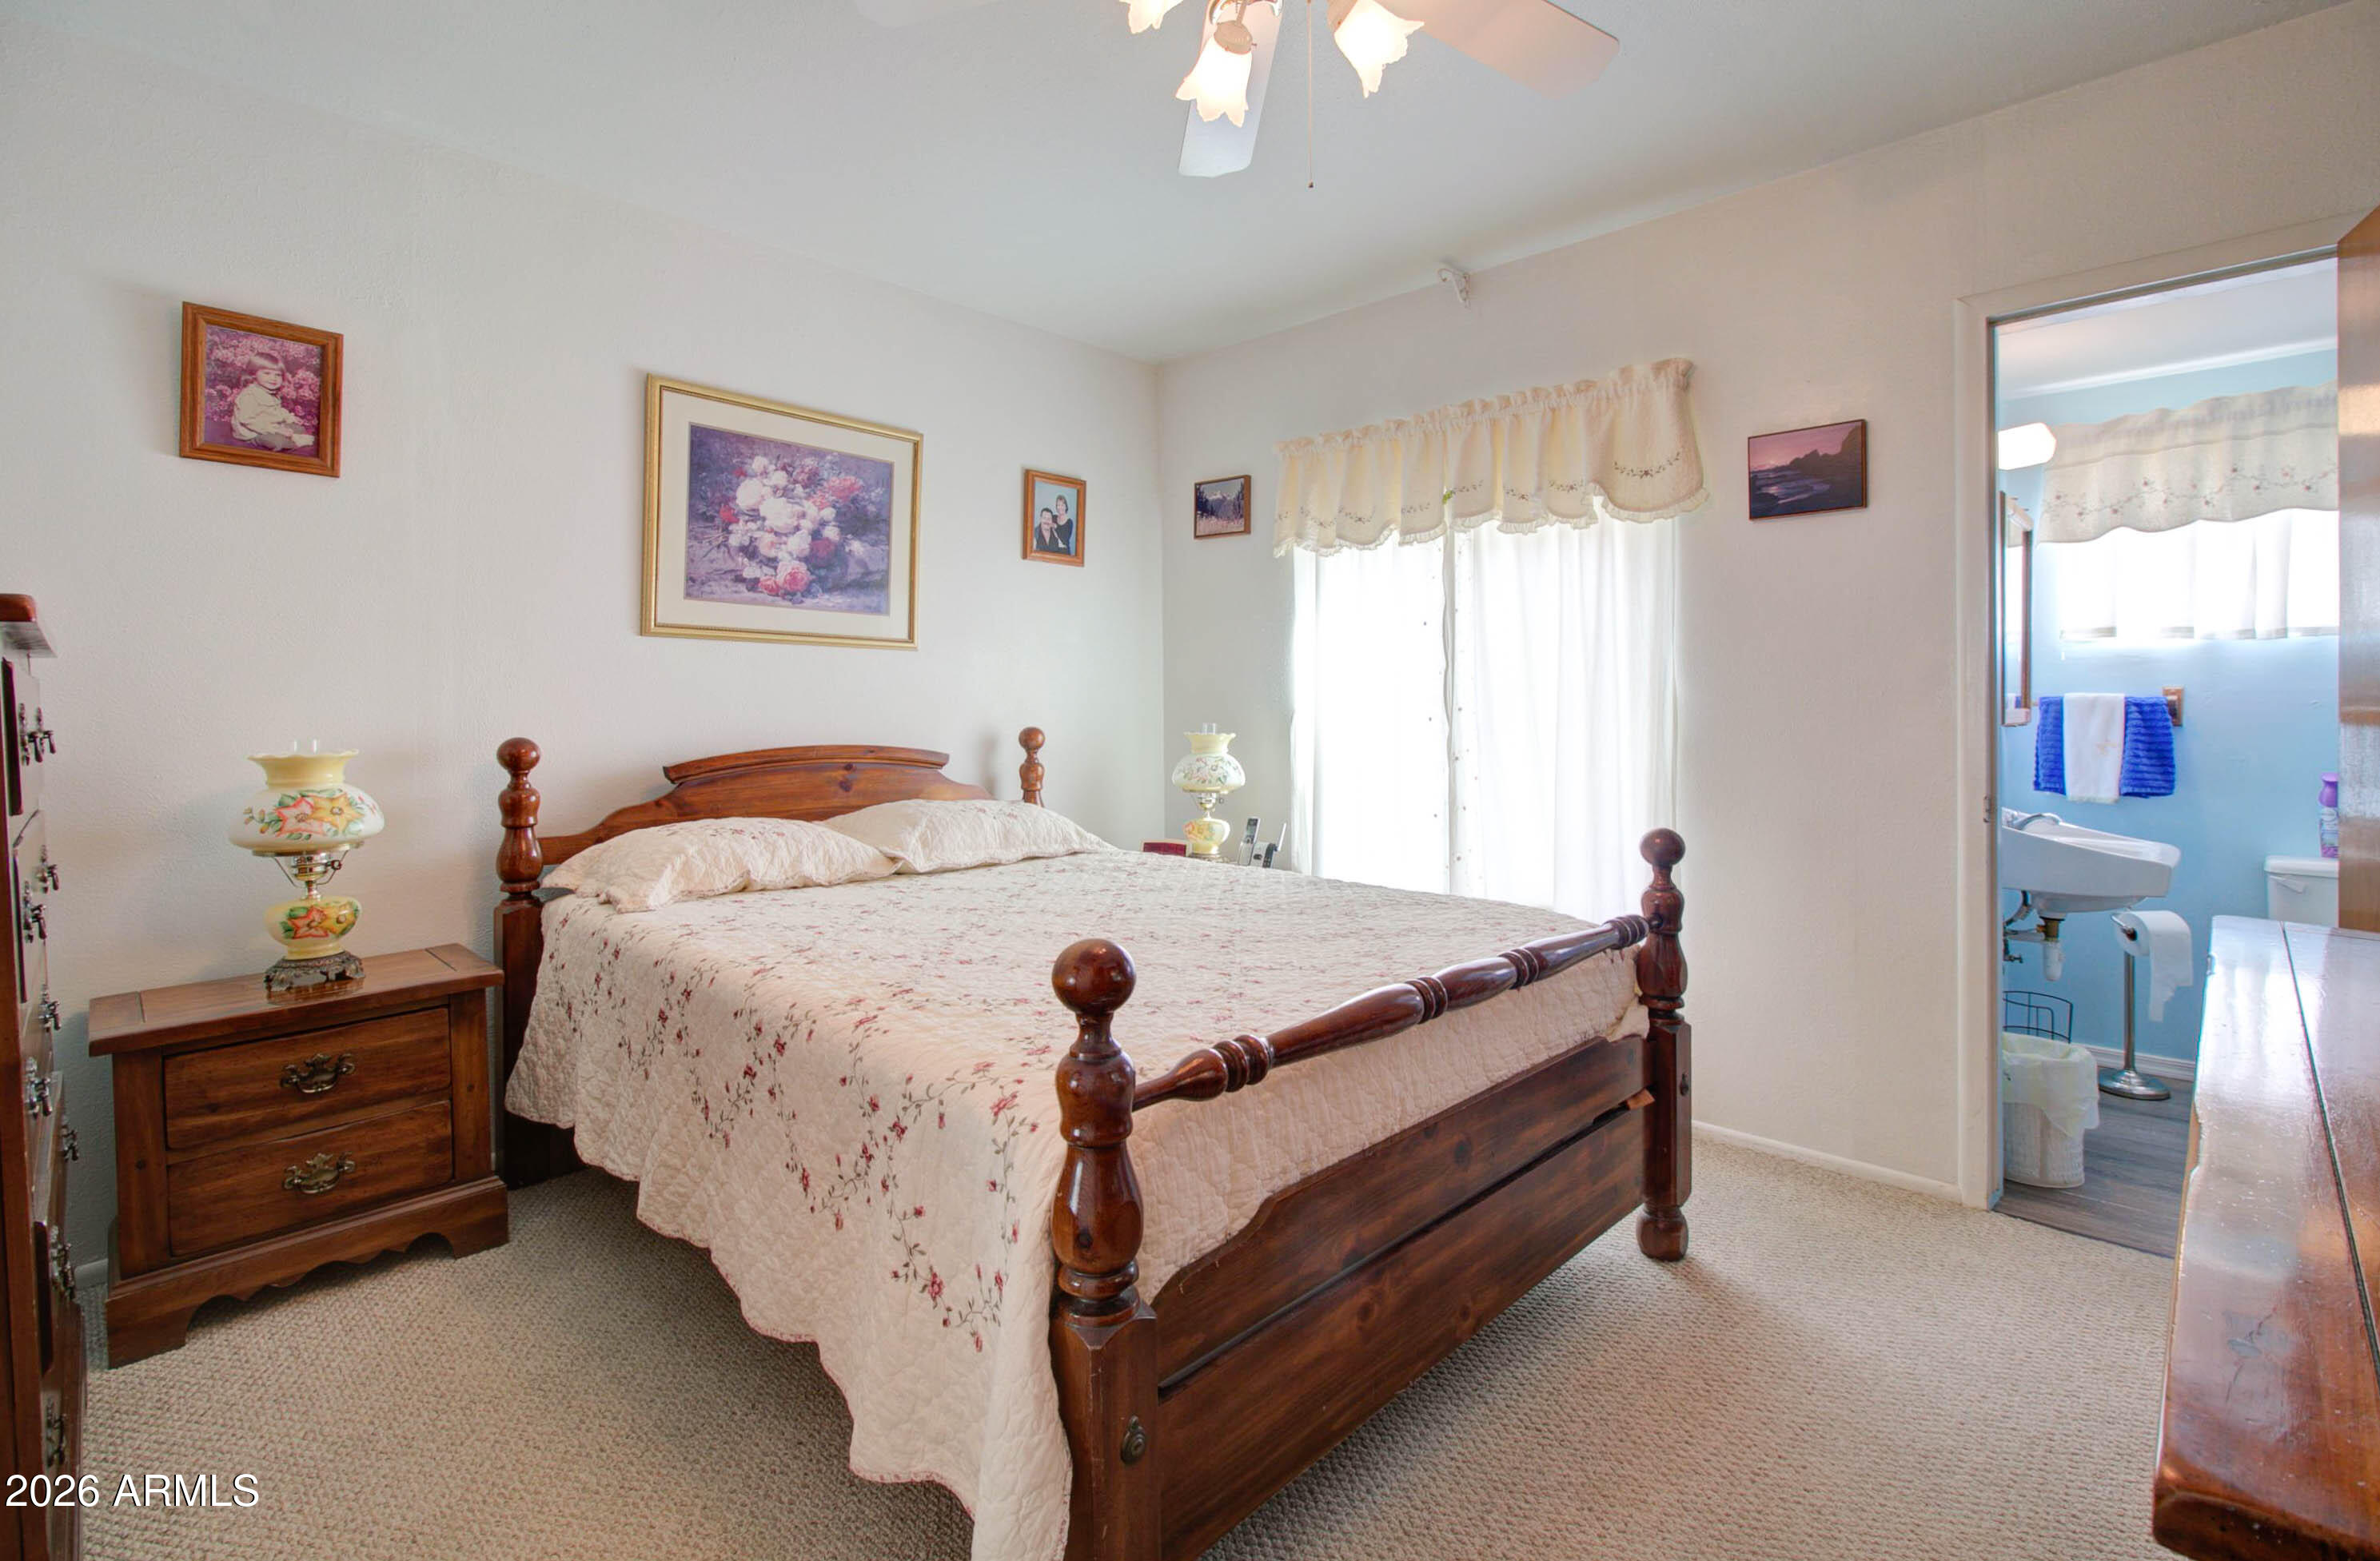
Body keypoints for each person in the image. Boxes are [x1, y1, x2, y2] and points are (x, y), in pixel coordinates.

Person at [229, 351, 314, 450]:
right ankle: (293, 441)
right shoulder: (249, 395)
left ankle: (293, 437)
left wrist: (289, 418)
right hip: (253, 432)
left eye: (278, 375)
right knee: (277, 442)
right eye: (267, 373)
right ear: (253, 374)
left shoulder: (270, 392)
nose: (273, 378)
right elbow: (247, 421)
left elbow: (276, 410)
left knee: (300, 429)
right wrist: (276, 430)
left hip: (270, 425)